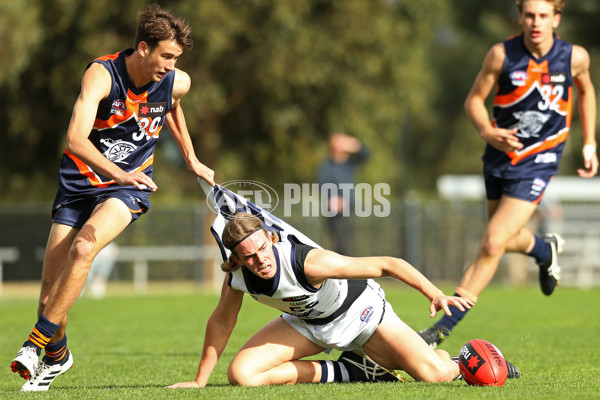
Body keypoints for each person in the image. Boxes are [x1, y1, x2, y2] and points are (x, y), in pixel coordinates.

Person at [10, 4, 215, 392]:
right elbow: (74, 139)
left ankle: (34, 345)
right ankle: (57, 356)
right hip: (79, 186)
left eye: (177, 58)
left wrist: (192, 159)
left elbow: (172, 103)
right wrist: (118, 170)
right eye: (166, 56)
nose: (172, 65)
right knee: (50, 297)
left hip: (128, 187)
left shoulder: (177, 80)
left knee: (85, 247)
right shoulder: (102, 75)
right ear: (142, 48)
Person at [167, 212, 519, 388]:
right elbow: (222, 321)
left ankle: (461, 357)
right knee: (242, 375)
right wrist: (200, 381)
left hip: (362, 316)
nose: (261, 259)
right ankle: (349, 370)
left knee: (434, 375)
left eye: (262, 247)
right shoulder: (238, 277)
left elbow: (387, 264)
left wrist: (434, 292)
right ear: (237, 259)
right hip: (306, 325)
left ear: (270, 237)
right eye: (250, 257)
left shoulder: (308, 262)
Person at [419, 0, 598, 348]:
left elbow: (587, 91)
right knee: (499, 239)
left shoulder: (575, 57)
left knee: (492, 242)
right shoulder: (501, 55)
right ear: (520, 17)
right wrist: (487, 131)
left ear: (556, 18)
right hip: (499, 158)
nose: (535, 22)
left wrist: (589, 143)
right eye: (529, 15)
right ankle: (544, 252)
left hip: (540, 161)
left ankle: (441, 330)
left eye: (543, 16)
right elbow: (474, 100)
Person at [317, 132, 369, 255]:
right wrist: (333, 199)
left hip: (348, 211)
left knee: (348, 246)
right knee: (341, 246)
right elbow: (323, 184)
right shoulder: (327, 166)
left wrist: (354, 145)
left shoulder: (348, 165)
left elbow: (366, 155)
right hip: (335, 213)